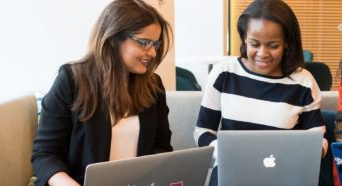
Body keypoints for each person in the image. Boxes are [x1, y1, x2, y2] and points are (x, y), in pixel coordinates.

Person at [31, 0, 173, 185]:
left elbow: (161, 149)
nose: (153, 52)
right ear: (113, 38)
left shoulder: (153, 86)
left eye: (155, 44)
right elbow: (45, 155)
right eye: (144, 42)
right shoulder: (71, 80)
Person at [193, 0, 328, 185]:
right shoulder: (224, 73)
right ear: (244, 39)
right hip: (230, 174)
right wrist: (223, 151)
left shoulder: (303, 82)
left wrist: (312, 152)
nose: (262, 53)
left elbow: (318, 139)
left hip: (284, 176)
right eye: (254, 44)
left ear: (287, 43)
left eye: (273, 46)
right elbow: (203, 132)